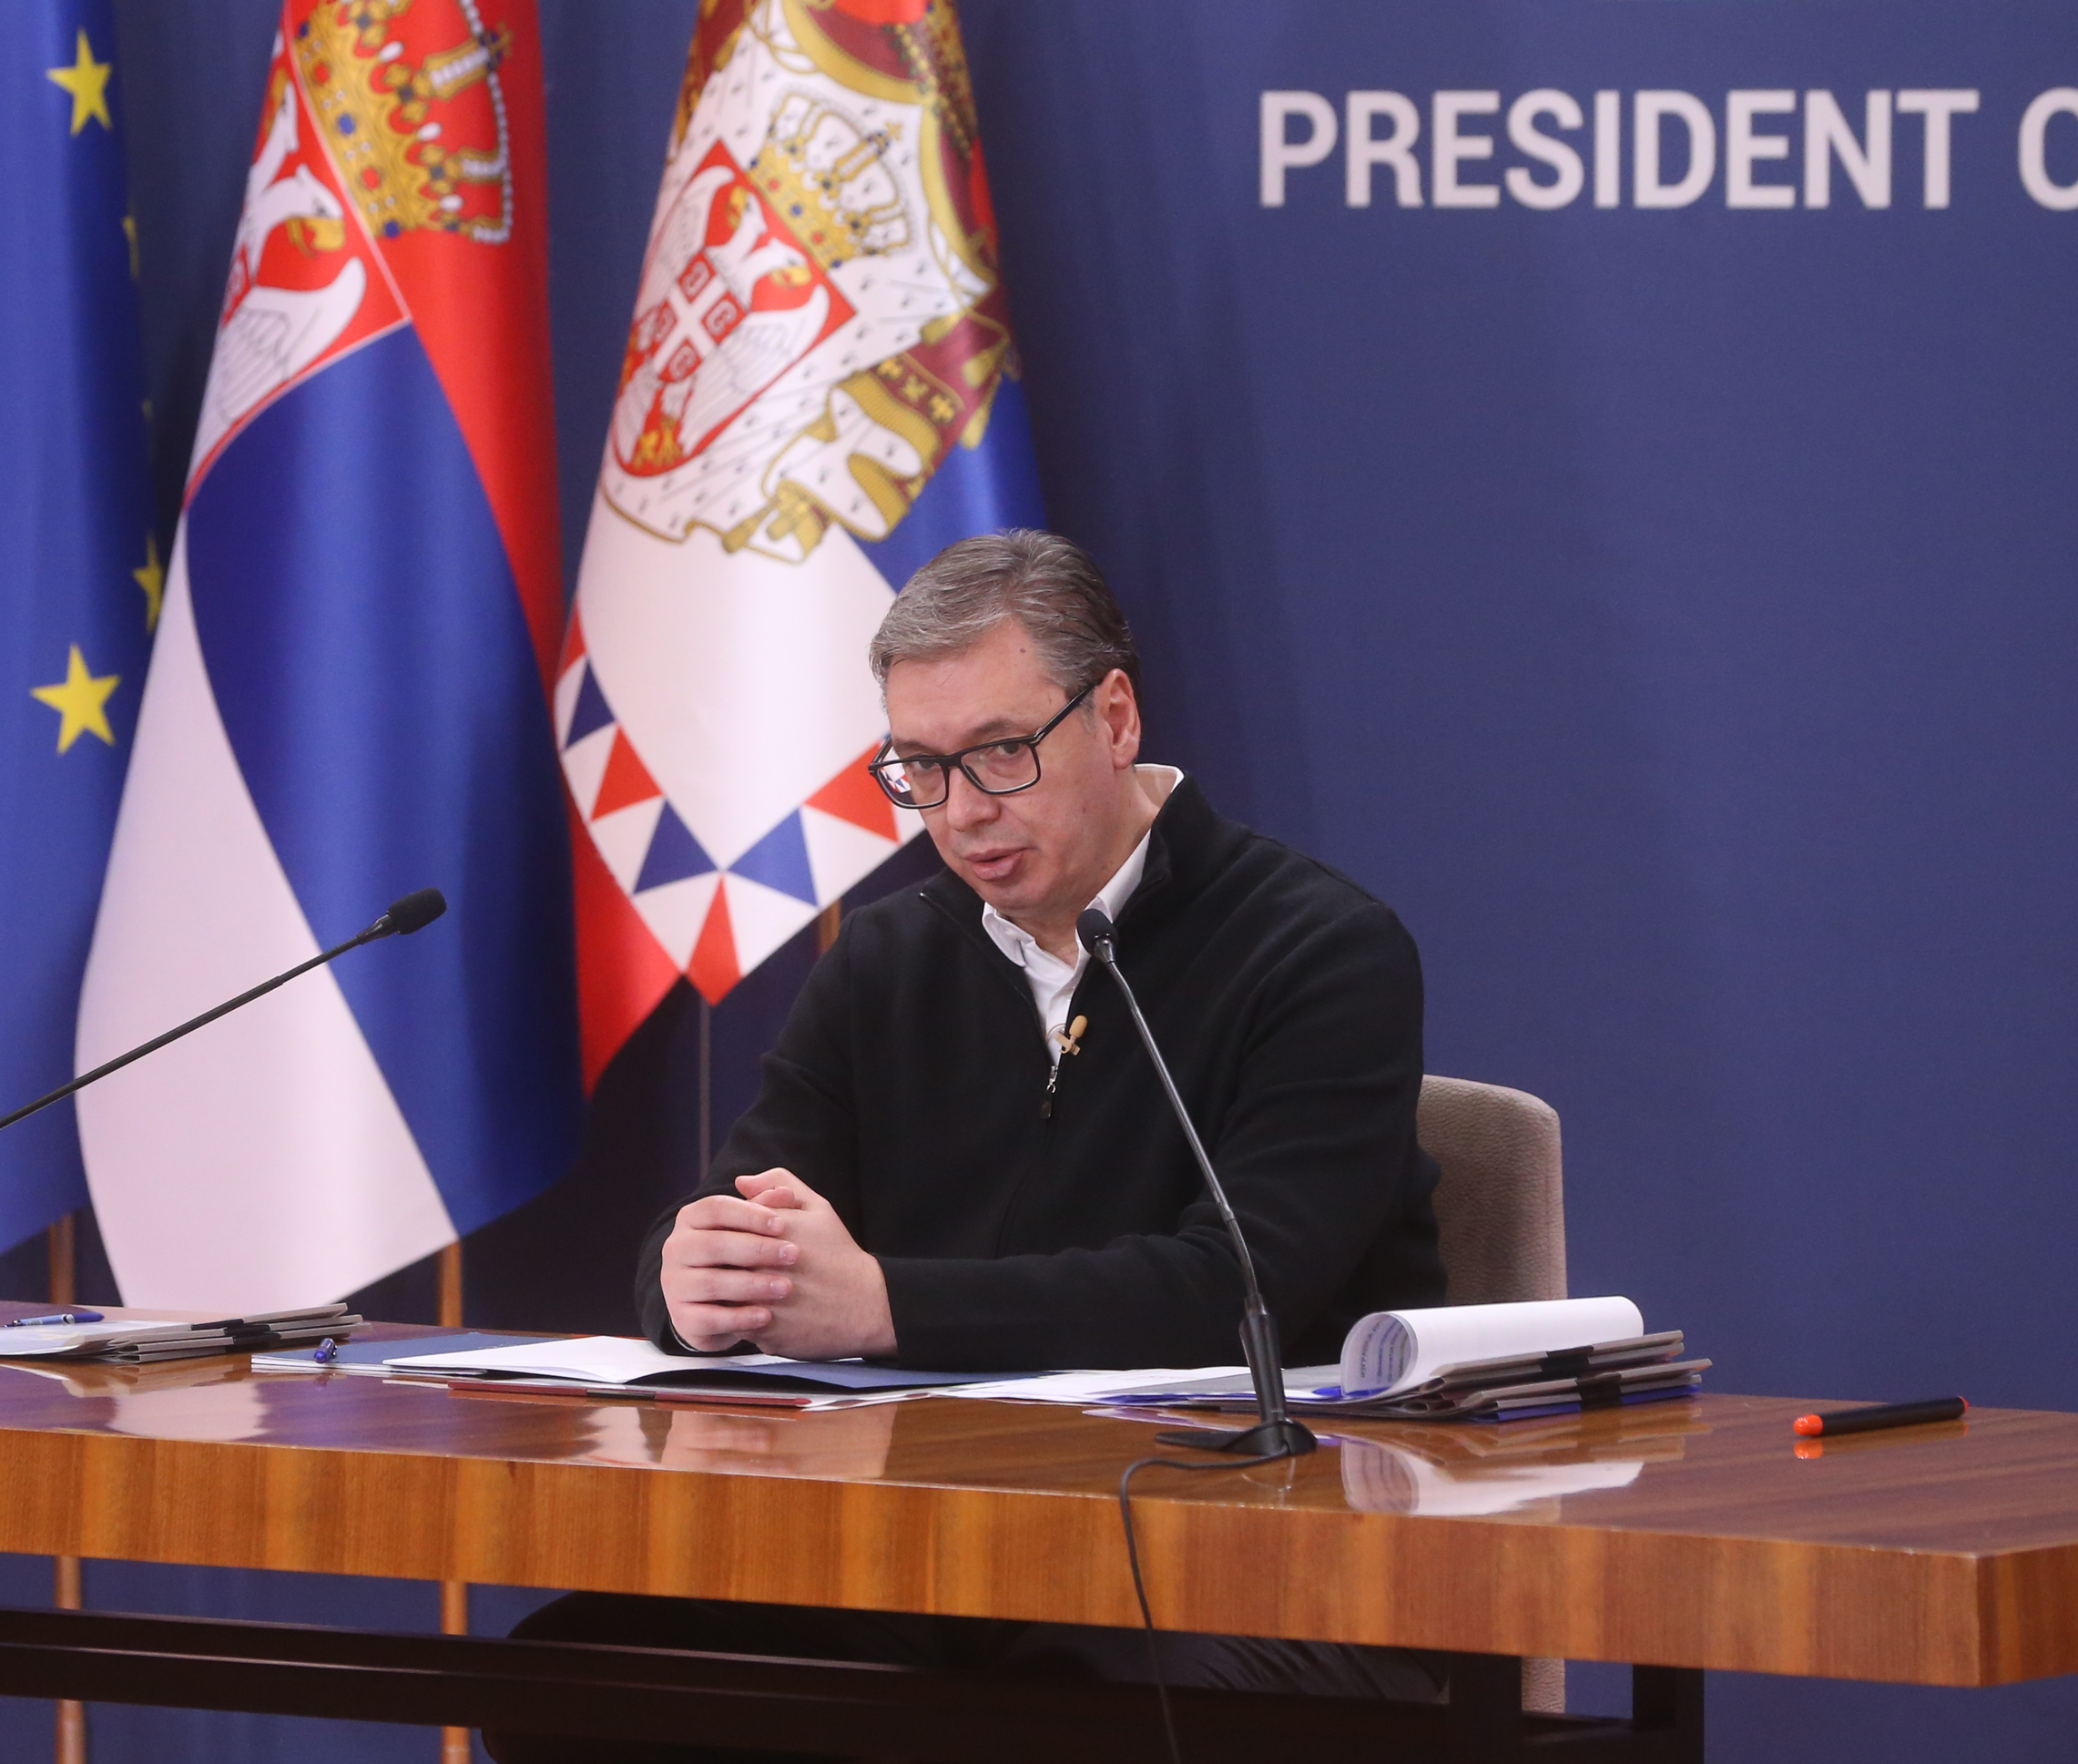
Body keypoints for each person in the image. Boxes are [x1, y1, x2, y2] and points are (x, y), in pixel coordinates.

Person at [487, 530, 1447, 1763]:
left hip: (1257, 1556)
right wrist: (694, 1274)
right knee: (578, 1682)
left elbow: (1237, 1290)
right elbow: (751, 1202)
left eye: (1002, 752)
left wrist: (882, 1306)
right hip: (938, 1553)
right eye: (921, 769)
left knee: (1053, 1719)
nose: (964, 813)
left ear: (1113, 716)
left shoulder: (1316, 950)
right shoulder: (891, 960)